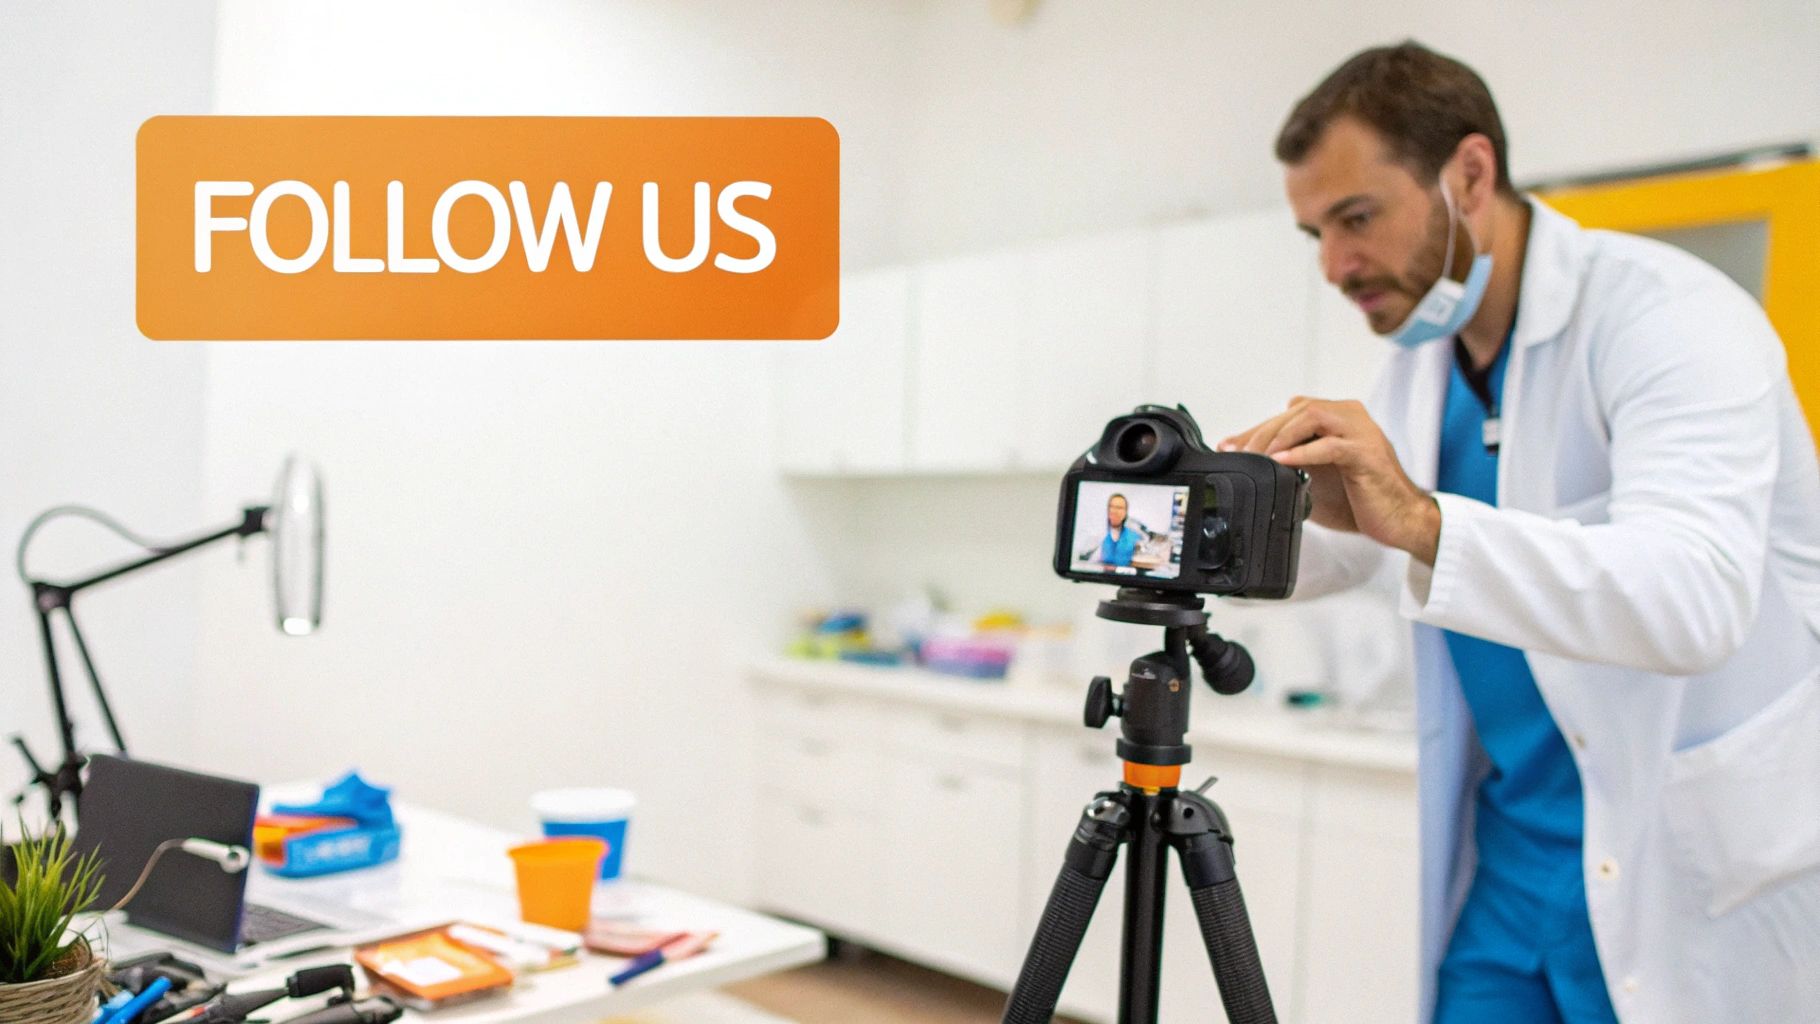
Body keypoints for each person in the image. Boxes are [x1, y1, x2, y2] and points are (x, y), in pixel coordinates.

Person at [1219, 41, 1820, 1024]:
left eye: (1356, 218)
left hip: (1684, 861)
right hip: (1514, 863)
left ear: (1468, 174)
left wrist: (1418, 519)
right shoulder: (1423, 365)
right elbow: (1365, 545)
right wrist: (1223, 524)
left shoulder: (1670, 320)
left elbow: (1694, 597)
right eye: (1314, 233)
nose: (1333, 266)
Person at [1084, 492, 1141, 567]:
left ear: (1125, 512)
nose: (1114, 511)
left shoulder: (1134, 537)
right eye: (1111, 507)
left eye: (1119, 508)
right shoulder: (1097, 536)